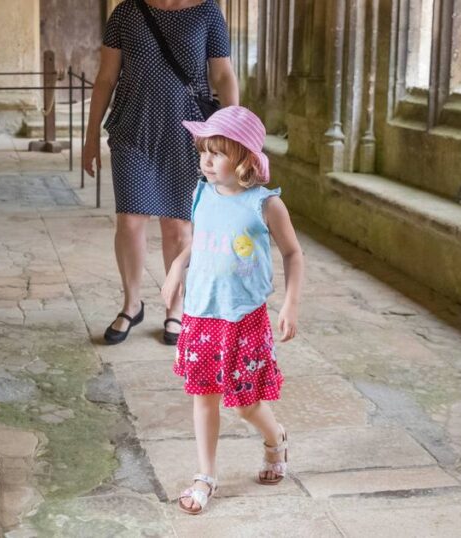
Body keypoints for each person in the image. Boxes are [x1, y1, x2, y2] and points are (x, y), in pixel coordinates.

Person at [160, 106, 304, 515]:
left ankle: (275, 438)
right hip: (202, 313)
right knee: (202, 396)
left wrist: (290, 303)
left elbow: (293, 253)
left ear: (244, 158)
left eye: (217, 152)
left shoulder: (265, 205)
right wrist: (176, 265)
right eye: (204, 149)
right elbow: (200, 241)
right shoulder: (201, 193)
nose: (205, 159)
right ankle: (205, 475)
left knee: (243, 403)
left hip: (244, 317)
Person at [83, 0, 239, 345]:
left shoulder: (207, 11)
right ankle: (131, 304)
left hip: (188, 134)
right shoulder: (125, 12)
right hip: (132, 129)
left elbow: (223, 74)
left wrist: (235, 129)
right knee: (130, 220)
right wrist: (91, 134)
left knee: (177, 225)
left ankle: (174, 306)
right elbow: (106, 77)